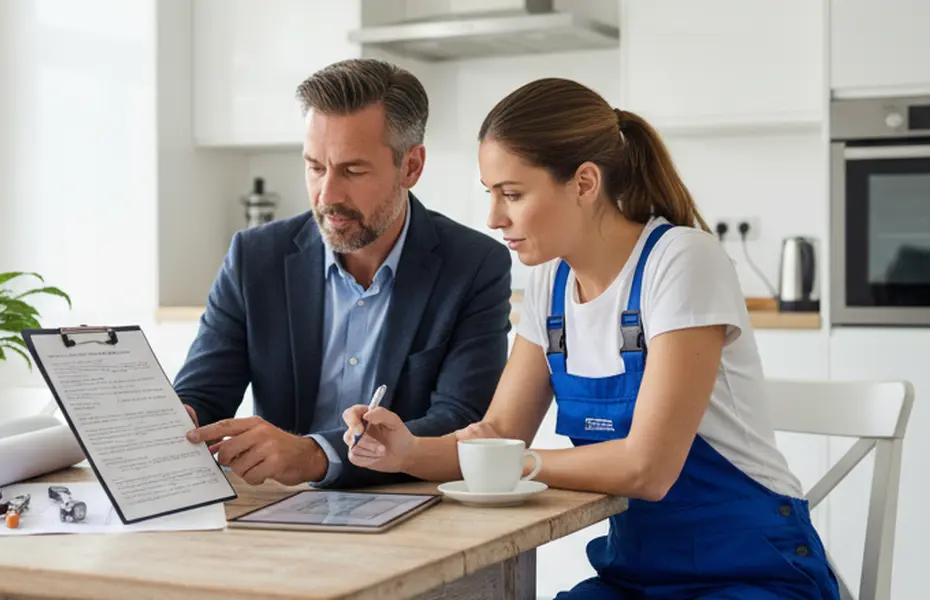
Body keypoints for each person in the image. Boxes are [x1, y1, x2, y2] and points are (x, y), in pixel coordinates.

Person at [341, 78, 842, 600]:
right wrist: (407, 451)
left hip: (753, 571)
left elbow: (648, 469)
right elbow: (500, 434)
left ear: (584, 183)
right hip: (637, 577)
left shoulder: (681, 260)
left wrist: (517, 462)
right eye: (490, 193)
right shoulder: (548, 284)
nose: (494, 218)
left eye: (512, 194)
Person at [173, 58, 513, 490]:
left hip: (412, 503)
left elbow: (460, 422)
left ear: (411, 166)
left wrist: (315, 455)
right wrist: (171, 418)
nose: (327, 195)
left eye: (353, 171)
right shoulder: (254, 257)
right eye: (315, 167)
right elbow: (202, 396)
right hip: (281, 509)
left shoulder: (474, 265)